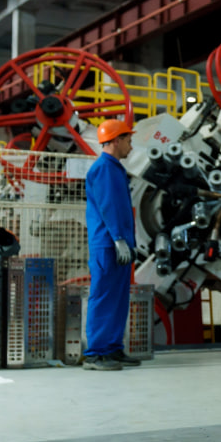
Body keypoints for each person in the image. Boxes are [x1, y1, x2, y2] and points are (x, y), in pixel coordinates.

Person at [83, 118, 142, 370]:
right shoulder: (104, 169)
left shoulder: (114, 167)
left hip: (119, 245)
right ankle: (95, 354)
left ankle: (113, 348)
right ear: (116, 140)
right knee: (104, 296)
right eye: (128, 140)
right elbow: (109, 207)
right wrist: (118, 239)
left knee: (118, 298)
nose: (131, 145)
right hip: (108, 245)